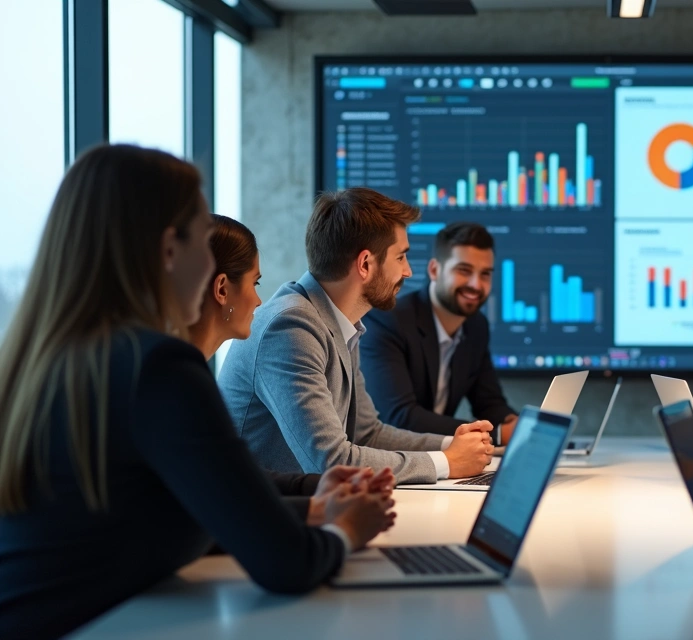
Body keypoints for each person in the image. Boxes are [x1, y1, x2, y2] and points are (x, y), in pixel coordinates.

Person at [0, 145, 393, 639]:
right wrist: (347, 530)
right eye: (204, 242)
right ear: (170, 250)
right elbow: (288, 566)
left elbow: (181, 504)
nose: (212, 266)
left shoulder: (52, 359)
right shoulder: (157, 368)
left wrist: (313, 507)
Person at [218, 188, 493, 484]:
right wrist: (447, 462)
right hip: (261, 518)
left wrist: (450, 446)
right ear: (365, 265)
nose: (408, 271)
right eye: (400, 257)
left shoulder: (340, 323)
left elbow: (367, 434)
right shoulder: (290, 328)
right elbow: (331, 462)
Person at [187, 214, 396, 525]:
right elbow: (214, 500)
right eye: (255, 283)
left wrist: (315, 487)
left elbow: (231, 474)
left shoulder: (185, 371)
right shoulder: (288, 325)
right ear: (222, 290)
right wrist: (329, 526)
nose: (259, 300)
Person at [361, 222, 518, 441]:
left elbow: (489, 403)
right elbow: (399, 417)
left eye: (485, 274)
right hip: (392, 463)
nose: (476, 284)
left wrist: (518, 424)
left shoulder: (476, 326)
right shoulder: (388, 320)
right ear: (434, 270)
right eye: (464, 270)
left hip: (442, 462)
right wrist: (497, 433)